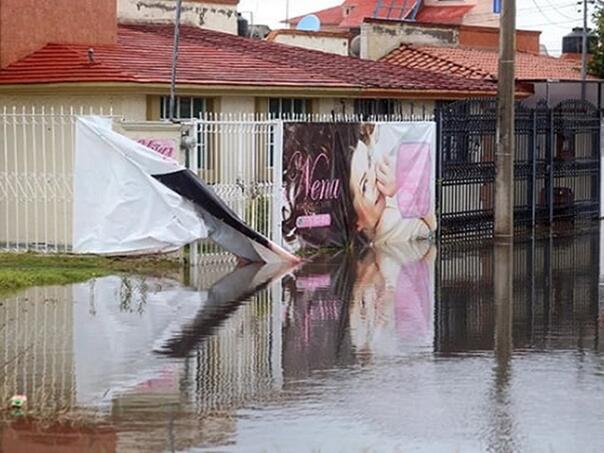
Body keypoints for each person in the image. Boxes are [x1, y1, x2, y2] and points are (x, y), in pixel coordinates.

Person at [348, 123, 436, 246]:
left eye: (370, 161)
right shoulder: (388, 220)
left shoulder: (390, 206)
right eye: (364, 185)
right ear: (355, 222)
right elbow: (431, 227)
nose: (374, 176)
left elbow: (430, 228)